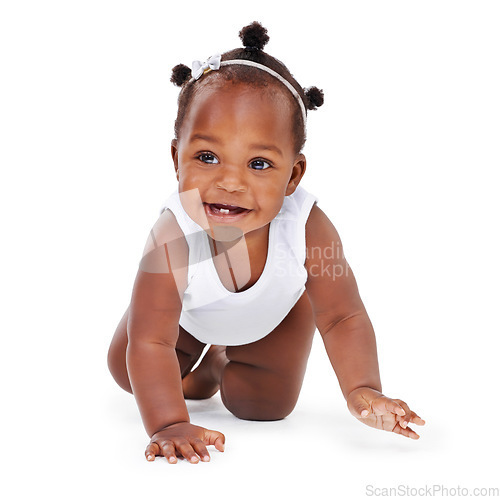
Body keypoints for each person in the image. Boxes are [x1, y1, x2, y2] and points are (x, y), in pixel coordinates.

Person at [107, 21, 425, 464]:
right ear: (175, 159)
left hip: (273, 320)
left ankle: (219, 364)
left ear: (293, 175)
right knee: (130, 369)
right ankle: (195, 353)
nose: (230, 182)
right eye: (207, 157)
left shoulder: (308, 228)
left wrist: (362, 388)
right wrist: (168, 424)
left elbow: (342, 315)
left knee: (263, 408)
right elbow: (150, 342)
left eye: (258, 163)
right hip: (179, 321)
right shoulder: (172, 234)